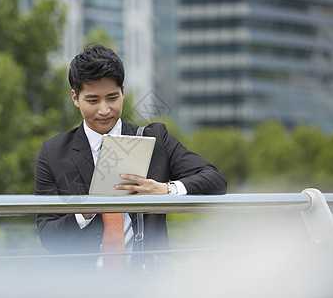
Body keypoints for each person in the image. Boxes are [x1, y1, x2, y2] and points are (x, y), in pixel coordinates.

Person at [34, 44, 227, 270]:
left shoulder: (156, 139)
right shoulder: (53, 152)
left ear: (123, 91)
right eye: (93, 100)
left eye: (112, 98)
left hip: (147, 283)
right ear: (75, 98)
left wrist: (166, 190)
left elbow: (215, 181)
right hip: (82, 286)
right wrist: (83, 212)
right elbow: (48, 235)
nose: (104, 110)